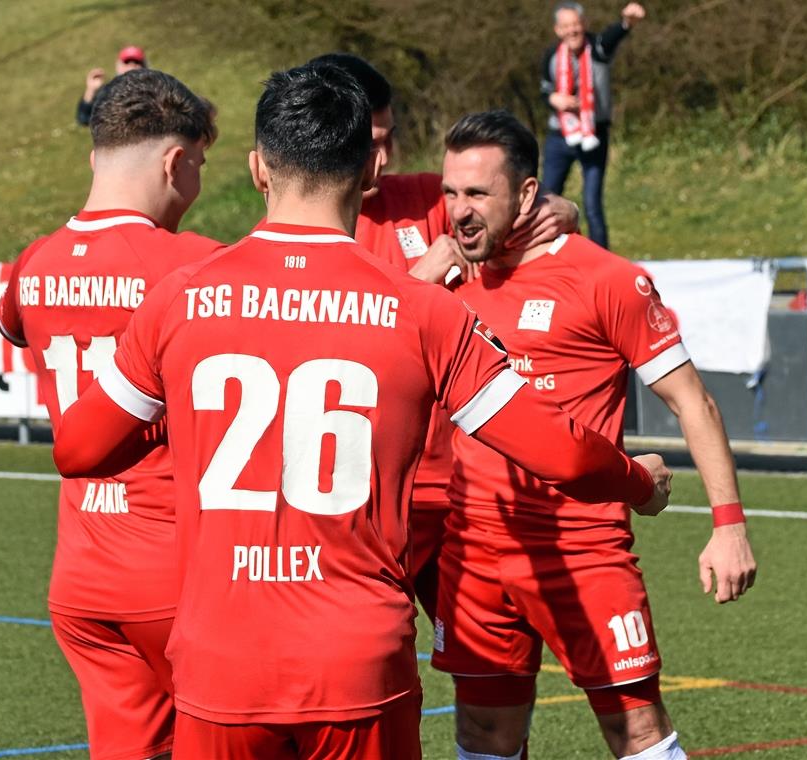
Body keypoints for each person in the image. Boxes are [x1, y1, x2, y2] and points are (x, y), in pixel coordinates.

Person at [52, 62, 672, 760]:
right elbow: (561, 453)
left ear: (259, 169)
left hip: (218, 659)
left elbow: (77, 451)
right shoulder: (422, 309)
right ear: (366, 170)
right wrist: (637, 481)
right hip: (355, 661)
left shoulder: (181, 297)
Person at [431, 110, 757, 760]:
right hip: (473, 552)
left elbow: (692, 400)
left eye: (477, 195)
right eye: (450, 193)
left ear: (527, 196)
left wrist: (728, 525)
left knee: (635, 730)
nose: (458, 212)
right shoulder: (445, 278)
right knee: (484, 735)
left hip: (582, 551)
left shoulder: (606, 279)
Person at [308, 52, 581, 622]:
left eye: (389, 139)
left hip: (450, 491)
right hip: (352, 495)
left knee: (482, 678)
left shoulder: (426, 195)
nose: (380, 159)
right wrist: (414, 283)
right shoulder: (302, 224)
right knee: (364, 652)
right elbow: (314, 347)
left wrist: (560, 207)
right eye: (369, 141)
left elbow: (508, 201)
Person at [0, 68, 220, 760]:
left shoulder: (31, 265)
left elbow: (14, 327)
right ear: (175, 161)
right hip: (176, 572)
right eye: (201, 165)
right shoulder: (192, 267)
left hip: (83, 581)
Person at [541, 2, 646, 249]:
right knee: (546, 199)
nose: (572, 31)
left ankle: (601, 262)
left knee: (592, 204)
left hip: (594, 134)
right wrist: (555, 99)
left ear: (584, 25)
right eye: (566, 26)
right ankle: (544, 253)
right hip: (560, 135)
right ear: (558, 30)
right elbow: (544, 91)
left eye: (576, 24)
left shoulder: (597, 49)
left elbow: (612, 37)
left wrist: (627, 22)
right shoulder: (551, 56)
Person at [76, 46, 148, 127]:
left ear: (144, 66)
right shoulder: (108, 92)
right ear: (118, 65)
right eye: (127, 62)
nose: (131, 66)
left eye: (136, 62)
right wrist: (91, 90)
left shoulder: (154, 90)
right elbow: (84, 118)